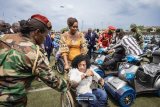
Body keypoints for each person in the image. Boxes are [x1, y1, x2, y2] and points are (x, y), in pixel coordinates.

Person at [0, 14, 68, 107]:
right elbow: (54, 82)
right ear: (37, 32)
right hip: (11, 102)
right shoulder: (34, 54)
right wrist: (72, 82)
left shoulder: (3, 37)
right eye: (44, 35)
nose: (44, 39)